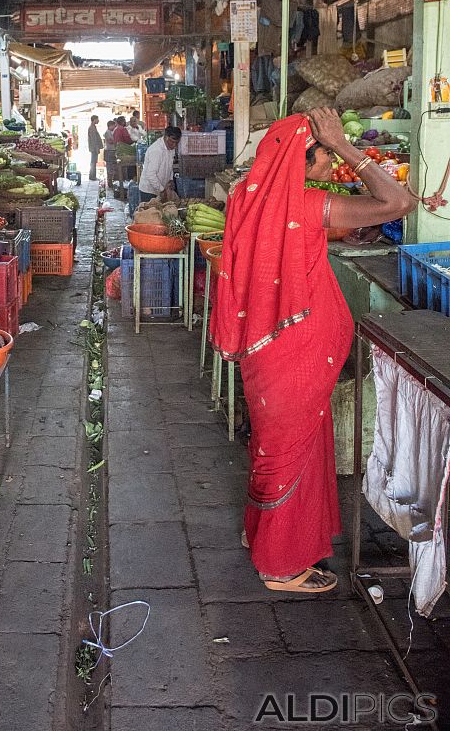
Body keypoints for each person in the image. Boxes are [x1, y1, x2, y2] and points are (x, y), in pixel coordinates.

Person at [209, 107, 428, 595]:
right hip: (297, 356)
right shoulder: (307, 206)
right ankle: (281, 566)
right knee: (290, 450)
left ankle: (263, 532)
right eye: (326, 153)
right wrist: (351, 146)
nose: (332, 160)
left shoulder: (254, 200)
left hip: (270, 354)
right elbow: (399, 203)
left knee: (275, 446)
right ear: (301, 162)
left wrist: (347, 208)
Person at [138, 126, 181, 202]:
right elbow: (150, 174)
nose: (174, 145)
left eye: (176, 143)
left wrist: (171, 179)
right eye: (172, 142)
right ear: (166, 137)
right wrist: (161, 190)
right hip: (149, 191)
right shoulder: (156, 150)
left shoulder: (171, 149)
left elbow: (170, 165)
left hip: (161, 189)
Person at [87, 114, 103, 181]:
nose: (98, 120)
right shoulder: (92, 128)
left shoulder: (93, 127)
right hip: (94, 148)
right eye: (97, 119)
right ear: (94, 120)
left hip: (94, 147)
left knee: (93, 162)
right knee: (93, 162)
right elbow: (94, 140)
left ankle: (92, 176)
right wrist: (96, 148)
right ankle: (92, 176)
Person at [104, 119, 117, 184]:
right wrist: (117, 141)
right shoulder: (107, 132)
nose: (114, 127)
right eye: (113, 126)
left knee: (113, 167)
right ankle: (109, 182)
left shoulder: (111, 132)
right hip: (109, 151)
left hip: (112, 151)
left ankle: (111, 181)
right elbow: (110, 141)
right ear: (110, 126)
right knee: (110, 167)